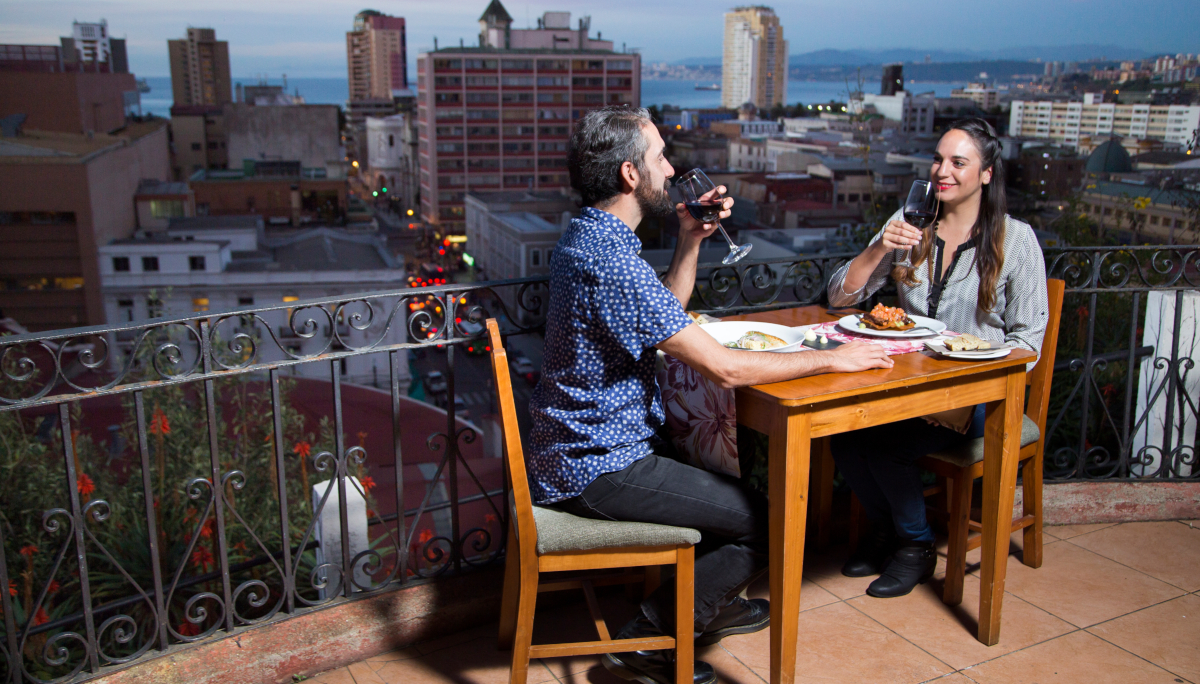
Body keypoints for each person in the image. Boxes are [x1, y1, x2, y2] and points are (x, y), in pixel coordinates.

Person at [528, 106, 893, 684]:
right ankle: (648, 641)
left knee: (729, 484)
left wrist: (690, 240)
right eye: (659, 158)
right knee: (768, 518)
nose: (670, 170)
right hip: (597, 465)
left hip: (580, 449)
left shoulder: (591, 235)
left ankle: (708, 603)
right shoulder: (610, 259)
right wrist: (833, 357)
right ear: (630, 174)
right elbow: (723, 369)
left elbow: (663, 313)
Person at [825, 118, 1049, 599]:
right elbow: (840, 299)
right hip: (904, 387)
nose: (941, 171)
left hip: (978, 396)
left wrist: (972, 363)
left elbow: (1030, 342)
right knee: (842, 438)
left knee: (886, 446)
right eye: (938, 159)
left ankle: (915, 544)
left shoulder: (1016, 240)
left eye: (958, 162)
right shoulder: (911, 228)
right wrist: (880, 246)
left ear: (986, 174)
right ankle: (886, 529)